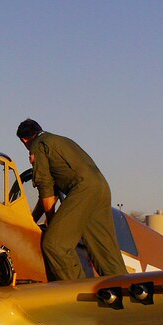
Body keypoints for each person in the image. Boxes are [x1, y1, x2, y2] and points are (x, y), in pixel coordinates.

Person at [16, 118, 127, 281]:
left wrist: (52, 222)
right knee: (104, 250)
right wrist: (33, 219)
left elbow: (46, 190)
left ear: (24, 140)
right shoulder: (61, 140)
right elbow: (49, 195)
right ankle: (125, 292)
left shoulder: (38, 146)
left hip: (82, 190)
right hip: (101, 188)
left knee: (54, 245)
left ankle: (80, 293)